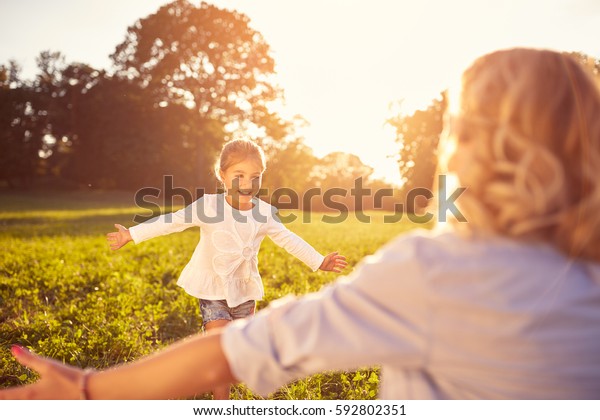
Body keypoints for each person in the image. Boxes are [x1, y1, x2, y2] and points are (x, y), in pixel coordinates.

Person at [2, 47, 600, 400]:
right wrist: (133, 233)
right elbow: (174, 218)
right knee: (223, 329)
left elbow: (276, 268)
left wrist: (85, 391)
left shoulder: (436, 271)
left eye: (453, 126)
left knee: (231, 340)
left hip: (246, 301)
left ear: (468, 147)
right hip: (214, 294)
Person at [105, 138, 347, 399]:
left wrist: (319, 260)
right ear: (222, 175)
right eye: (239, 175)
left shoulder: (264, 213)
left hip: (244, 289)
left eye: (255, 177)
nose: (247, 184)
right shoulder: (208, 206)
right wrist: (132, 234)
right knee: (220, 348)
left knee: (239, 351)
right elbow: (172, 222)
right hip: (212, 288)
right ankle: (222, 403)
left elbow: (289, 239)